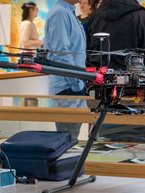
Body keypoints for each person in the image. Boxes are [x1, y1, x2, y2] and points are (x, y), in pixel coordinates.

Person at [85, 0, 145, 143]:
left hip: (100, 99)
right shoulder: (141, 18)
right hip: (133, 101)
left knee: (102, 150)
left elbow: (89, 56)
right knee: (135, 149)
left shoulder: (95, 17)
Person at [44, 0, 87, 139]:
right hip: (68, 87)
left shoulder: (68, 12)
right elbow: (61, 53)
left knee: (71, 139)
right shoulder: (60, 13)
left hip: (74, 84)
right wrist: (76, 85)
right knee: (66, 141)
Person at [85, 0, 145, 71]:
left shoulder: (94, 18)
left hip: (97, 84)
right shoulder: (142, 18)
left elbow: (87, 53)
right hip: (133, 86)